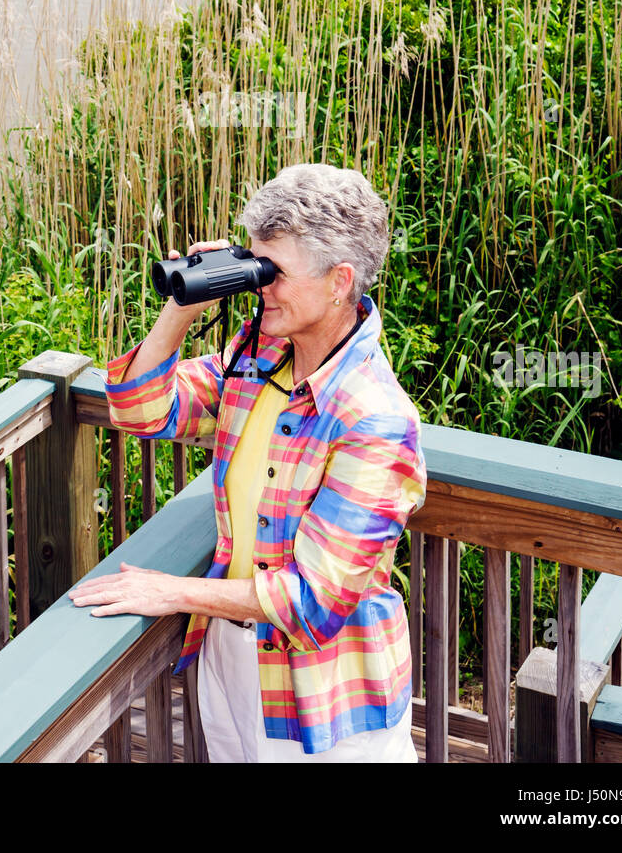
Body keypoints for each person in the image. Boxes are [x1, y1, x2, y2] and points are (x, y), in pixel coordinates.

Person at [69, 162, 427, 762]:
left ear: (340, 281)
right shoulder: (259, 360)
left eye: (275, 272)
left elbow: (312, 601)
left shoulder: (376, 420)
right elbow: (140, 409)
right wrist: (187, 299)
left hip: (324, 696)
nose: (261, 285)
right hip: (233, 662)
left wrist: (171, 591)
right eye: (255, 265)